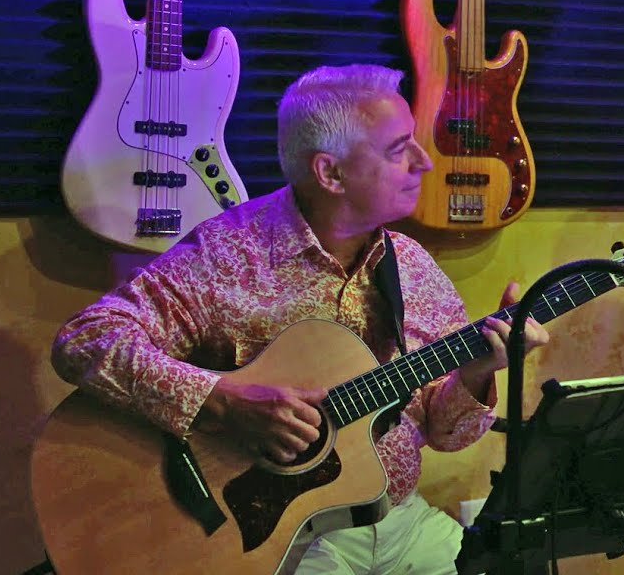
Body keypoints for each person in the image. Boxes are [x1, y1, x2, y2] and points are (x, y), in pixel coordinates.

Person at [50, 63, 549, 574]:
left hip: (400, 522)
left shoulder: (412, 266)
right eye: (399, 149)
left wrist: (478, 370)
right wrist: (223, 402)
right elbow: (85, 339)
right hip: (279, 540)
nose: (424, 162)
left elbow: (447, 436)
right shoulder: (229, 254)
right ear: (330, 173)